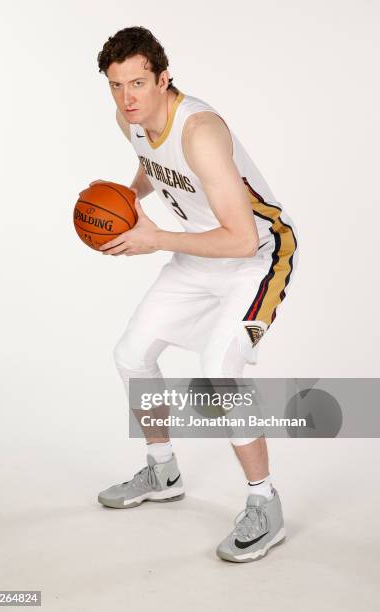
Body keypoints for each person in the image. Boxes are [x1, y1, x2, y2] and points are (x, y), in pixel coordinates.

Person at [95, 26, 298, 563]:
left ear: (165, 78)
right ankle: (163, 470)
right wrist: (125, 197)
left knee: (219, 370)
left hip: (257, 255)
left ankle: (265, 502)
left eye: (138, 83)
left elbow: (238, 237)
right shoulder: (132, 116)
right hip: (200, 252)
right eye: (116, 86)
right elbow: (151, 162)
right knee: (131, 355)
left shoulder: (200, 131)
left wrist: (154, 238)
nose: (127, 97)